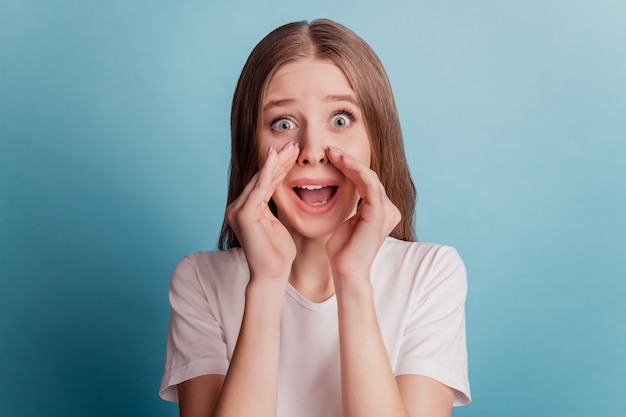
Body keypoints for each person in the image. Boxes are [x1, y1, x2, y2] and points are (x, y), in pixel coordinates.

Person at [159, 18, 471, 417]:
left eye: (340, 120)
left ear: (377, 139)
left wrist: (353, 281)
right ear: (251, 146)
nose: (312, 149)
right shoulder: (200, 281)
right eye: (283, 124)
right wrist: (267, 284)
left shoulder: (431, 274)